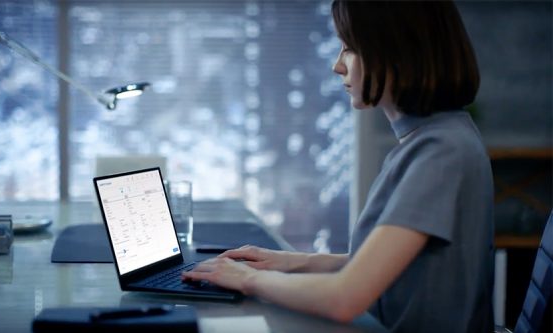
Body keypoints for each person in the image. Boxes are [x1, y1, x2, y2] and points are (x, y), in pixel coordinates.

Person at [182, 1, 494, 332]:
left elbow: (344, 298)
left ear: (397, 52)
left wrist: (246, 279)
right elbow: (393, 268)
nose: (337, 66)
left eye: (350, 49)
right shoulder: (439, 139)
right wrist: (296, 262)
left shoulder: (439, 153)